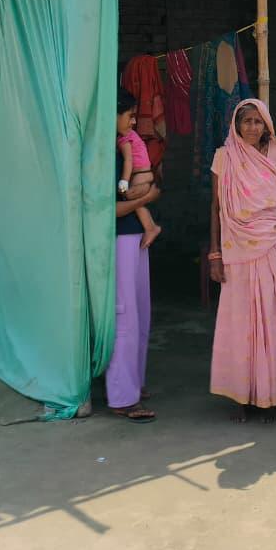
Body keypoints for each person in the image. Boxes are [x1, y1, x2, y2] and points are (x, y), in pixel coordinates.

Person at [208, 98, 276, 422]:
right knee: (241, 324)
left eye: (258, 122)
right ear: (236, 125)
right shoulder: (224, 158)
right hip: (235, 249)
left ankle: (273, 395)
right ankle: (243, 396)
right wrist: (215, 255)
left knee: (271, 319)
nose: (252, 127)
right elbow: (215, 208)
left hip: (269, 246)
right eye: (247, 121)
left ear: (266, 125)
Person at [103, 97, 163, 423]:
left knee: (140, 312)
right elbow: (109, 210)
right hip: (120, 239)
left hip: (134, 238)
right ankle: (122, 397)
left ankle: (134, 385)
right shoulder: (108, 155)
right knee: (126, 317)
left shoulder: (121, 148)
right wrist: (151, 196)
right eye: (127, 115)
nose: (131, 121)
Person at [118, 92, 162, 249]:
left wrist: (123, 182)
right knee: (136, 202)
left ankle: (150, 227)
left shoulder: (124, 138)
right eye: (130, 116)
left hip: (139, 174)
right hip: (145, 173)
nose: (134, 121)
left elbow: (128, 162)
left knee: (129, 198)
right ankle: (151, 226)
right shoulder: (132, 135)